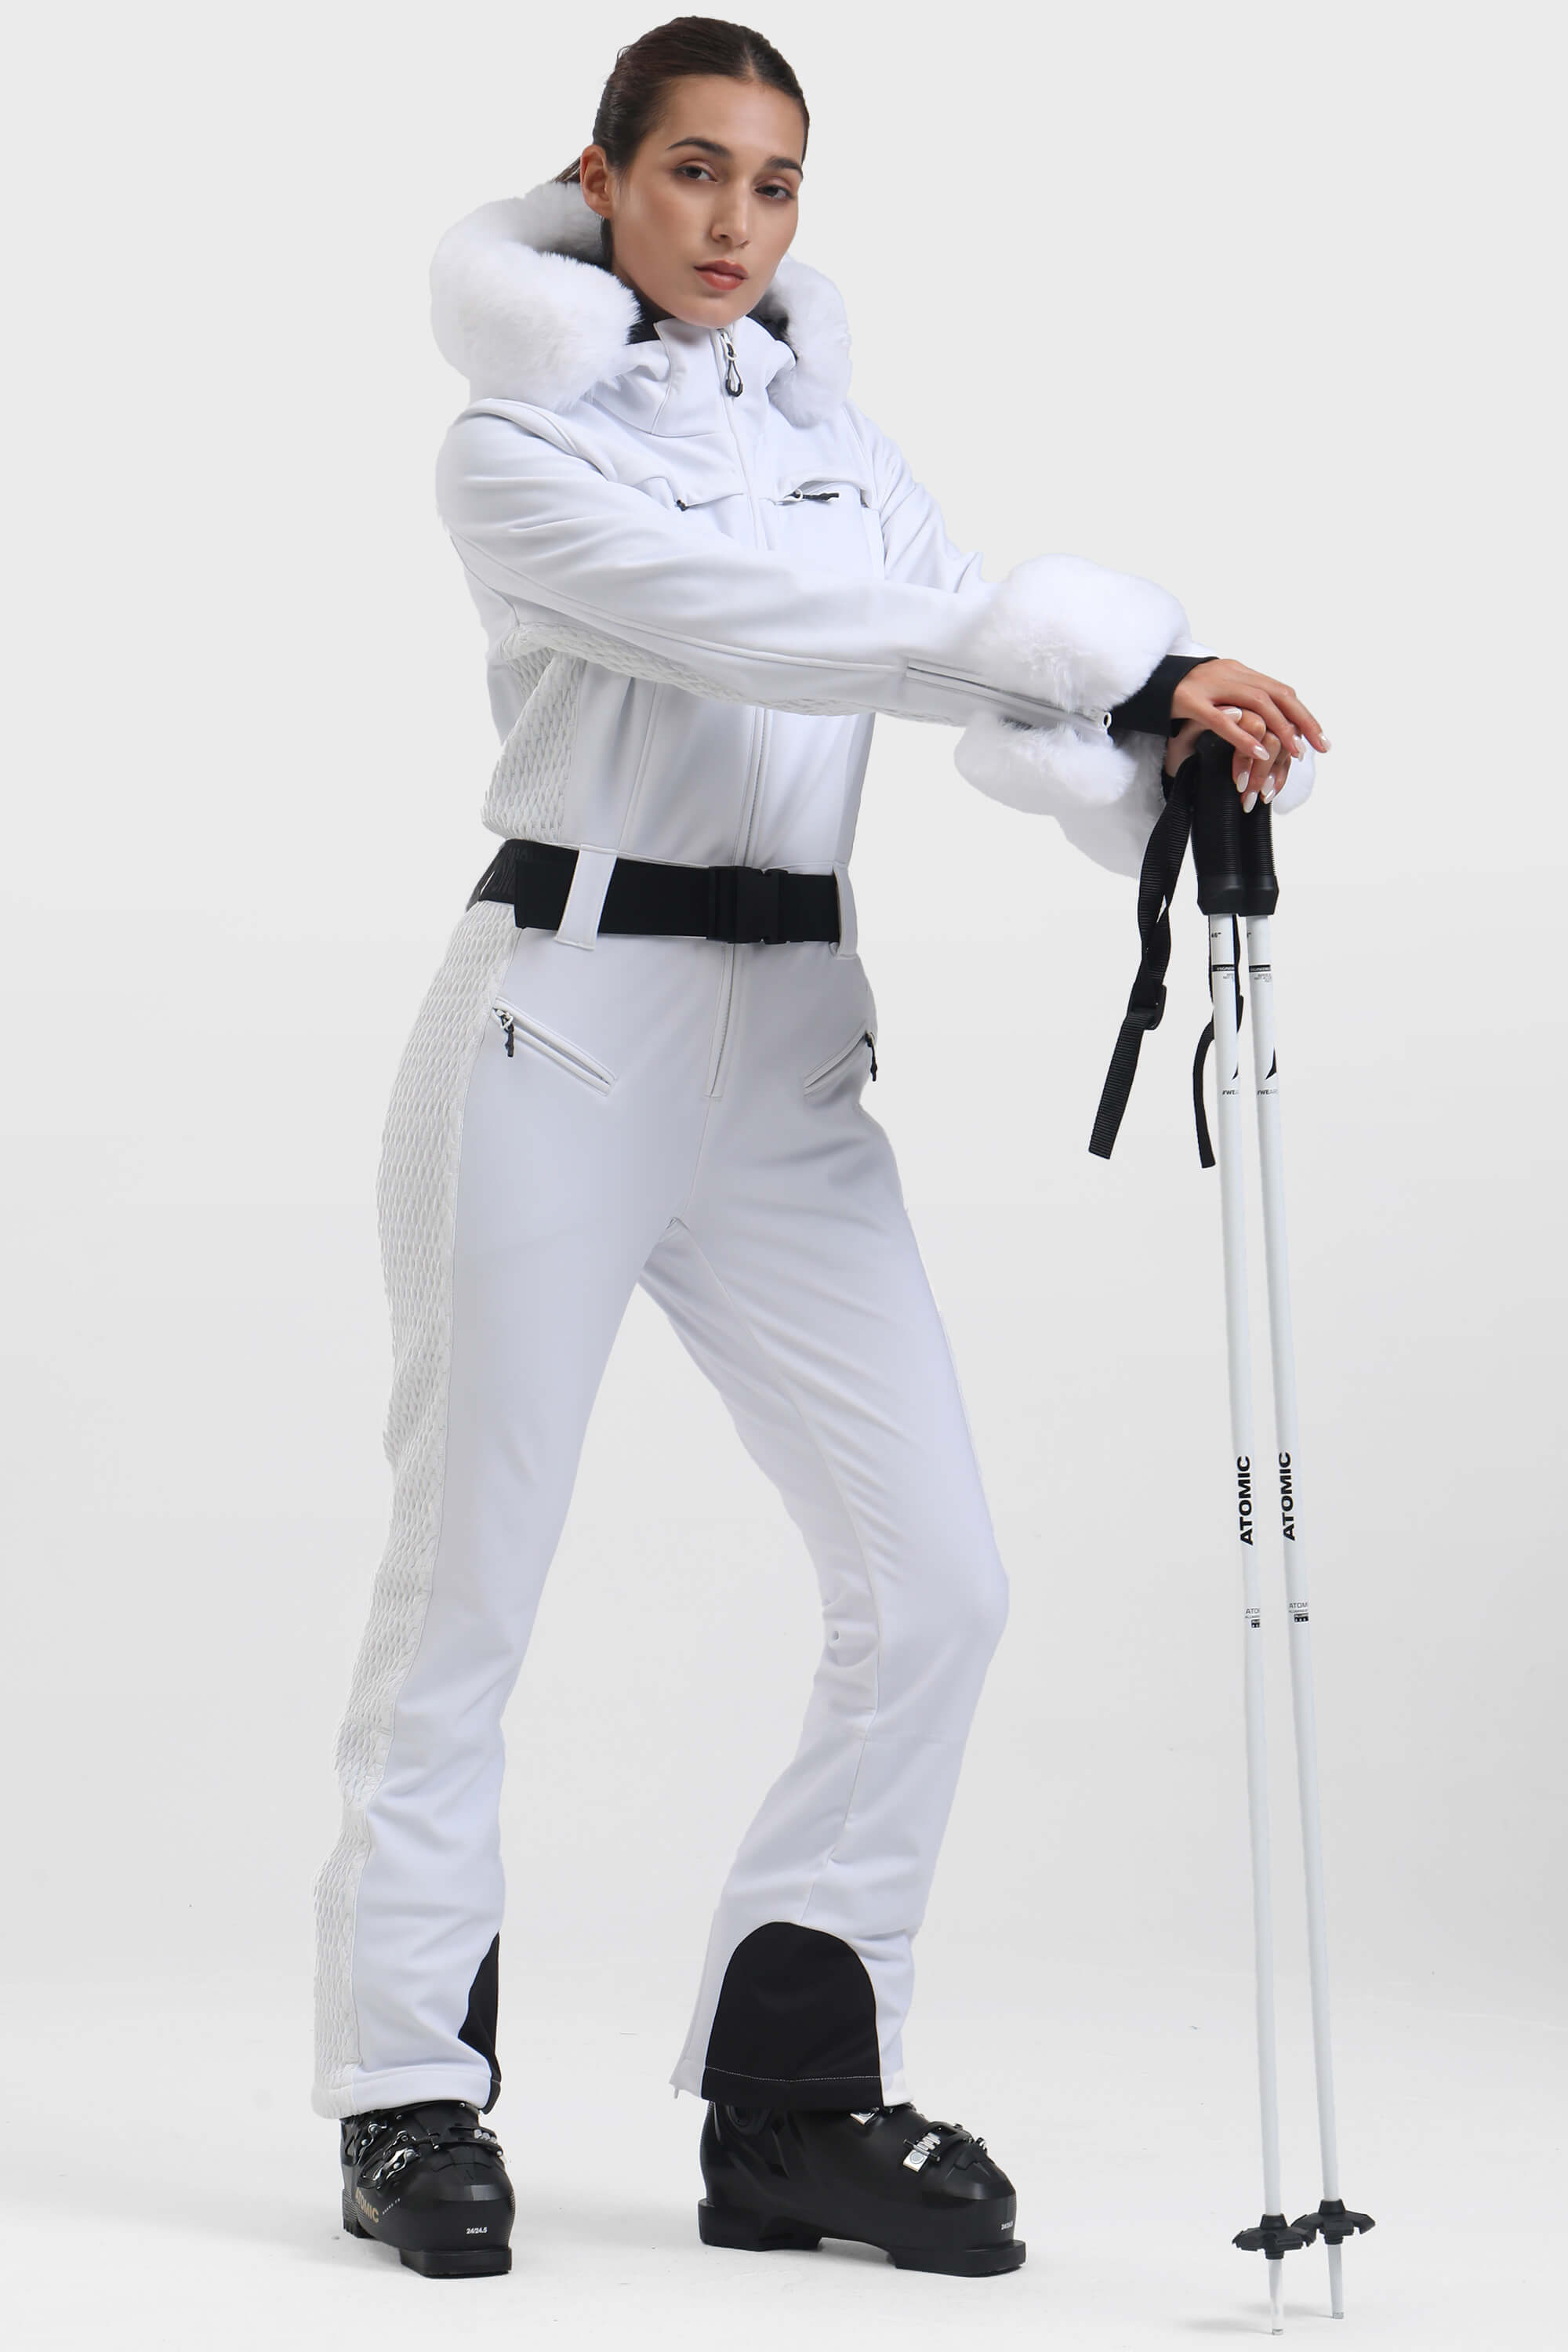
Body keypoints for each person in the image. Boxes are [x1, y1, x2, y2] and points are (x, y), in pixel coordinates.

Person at [312, 13, 1329, 2285]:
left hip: (789, 1058)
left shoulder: (835, 448)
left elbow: (961, 665)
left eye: (773, 184)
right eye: (692, 171)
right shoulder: (515, 450)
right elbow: (789, 636)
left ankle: (792, 2103)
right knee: (466, 1592)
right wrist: (1117, 661)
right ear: (600, 180)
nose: (733, 222)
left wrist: (1161, 758)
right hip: (562, 1030)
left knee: (937, 1579)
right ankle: (403, 2091)